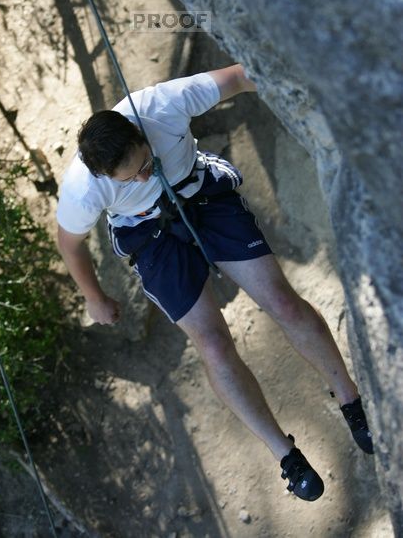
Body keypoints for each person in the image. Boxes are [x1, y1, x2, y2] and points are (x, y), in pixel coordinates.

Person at [56, 63, 373, 502]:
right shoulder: (83, 189)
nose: (144, 177)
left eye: (145, 163)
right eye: (130, 178)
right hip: (148, 233)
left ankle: (353, 403)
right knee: (213, 344)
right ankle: (287, 456)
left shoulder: (162, 104)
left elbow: (247, 73)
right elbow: (69, 244)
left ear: (139, 132)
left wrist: (312, 84)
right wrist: (94, 297)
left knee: (282, 302)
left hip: (200, 192)